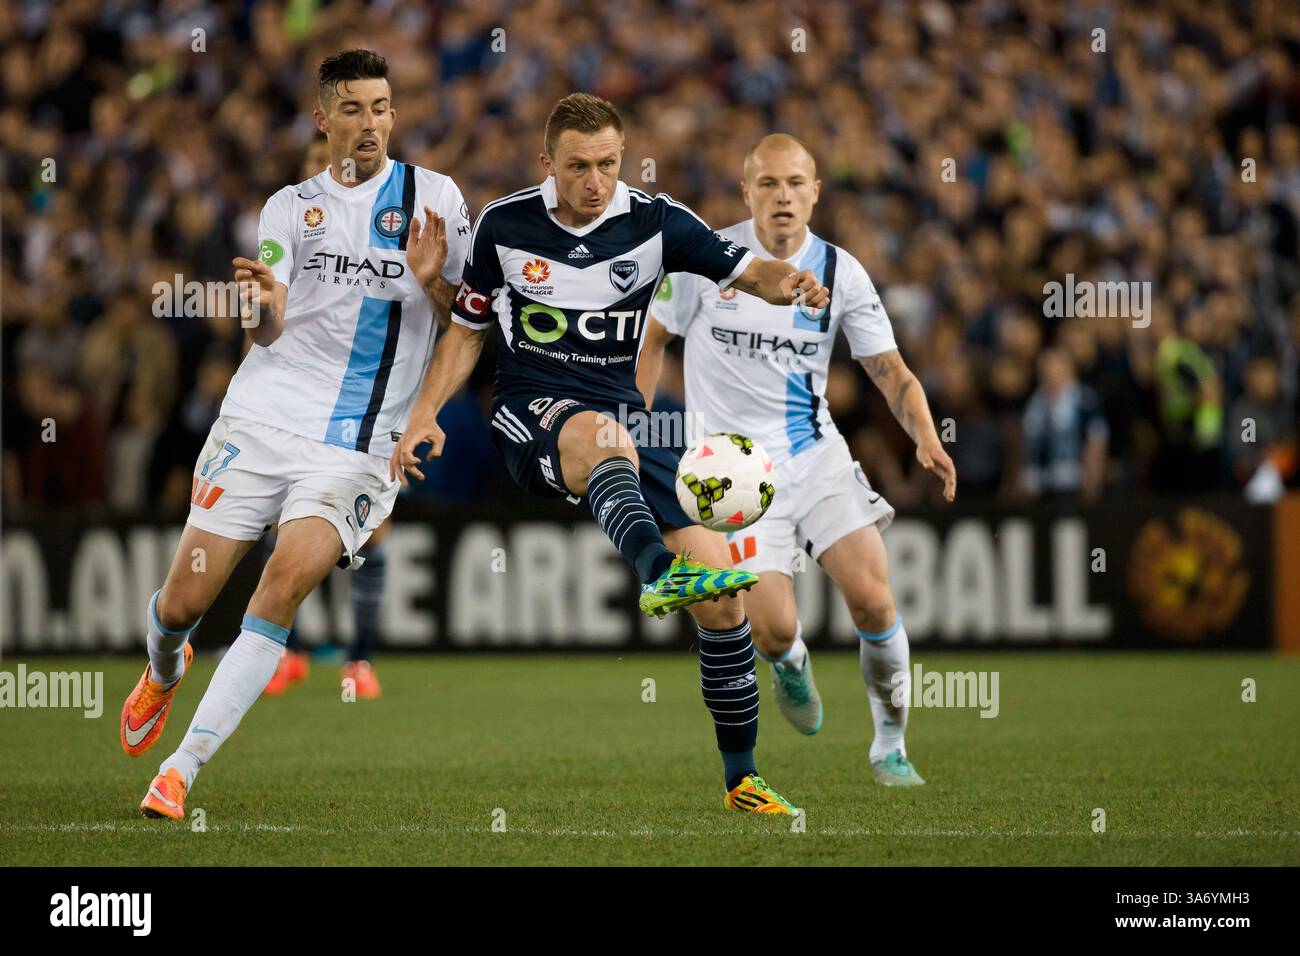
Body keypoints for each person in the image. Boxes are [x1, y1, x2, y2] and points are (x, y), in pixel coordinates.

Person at [393, 95, 829, 815]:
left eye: (607, 165)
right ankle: (657, 572)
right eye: (577, 167)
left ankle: (742, 781)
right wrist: (423, 413)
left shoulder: (658, 224)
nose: (594, 181)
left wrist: (797, 284)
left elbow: (755, 273)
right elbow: (468, 331)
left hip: (625, 421)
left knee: (724, 601)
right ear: (547, 164)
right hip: (530, 412)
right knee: (605, 440)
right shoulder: (505, 226)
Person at [123, 49, 470, 820]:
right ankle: (165, 664)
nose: (370, 123)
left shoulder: (437, 200)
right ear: (323, 120)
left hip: (359, 446)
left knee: (282, 584)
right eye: (352, 109)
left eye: (381, 107)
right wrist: (259, 302)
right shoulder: (290, 207)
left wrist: (432, 281)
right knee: (182, 603)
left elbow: (469, 326)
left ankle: (181, 770)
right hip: (264, 416)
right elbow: (269, 326)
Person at [640, 134, 956, 786]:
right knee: (774, 630)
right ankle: (789, 661)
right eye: (767, 183)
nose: (782, 196)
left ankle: (890, 746)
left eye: (795, 183)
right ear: (745, 192)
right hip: (731, 476)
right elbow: (653, 341)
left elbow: (891, 372)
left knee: (872, 600)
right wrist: (633, 425)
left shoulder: (842, 273)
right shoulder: (704, 259)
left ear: (816, 190)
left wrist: (924, 434)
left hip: (814, 454)